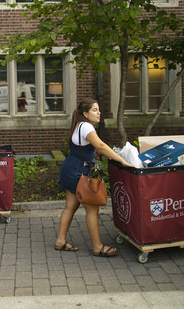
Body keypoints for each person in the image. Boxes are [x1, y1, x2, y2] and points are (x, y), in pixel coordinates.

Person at [55, 98, 133, 256]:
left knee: (70, 206)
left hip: (70, 170)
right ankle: (97, 247)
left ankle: (60, 241)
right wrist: (123, 161)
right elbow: (101, 146)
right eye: (95, 110)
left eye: (99, 110)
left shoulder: (80, 126)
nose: (99, 113)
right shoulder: (86, 127)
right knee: (92, 210)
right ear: (85, 113)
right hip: (78, 173)